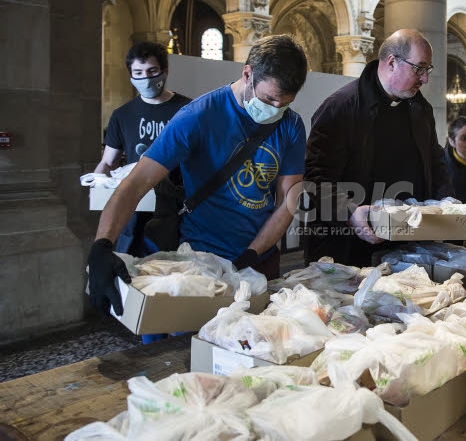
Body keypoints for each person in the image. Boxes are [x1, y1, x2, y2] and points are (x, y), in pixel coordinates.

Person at [87, 34, 308, 318]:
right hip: (201, 264)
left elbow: (287, 202)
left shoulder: (290, 125)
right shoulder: (198, 117)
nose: (275, 110)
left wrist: (252, 254)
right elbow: (137, 182)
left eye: (285, 104)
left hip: (259, 262)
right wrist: (103, 245)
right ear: (248, 73)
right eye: (269, 99)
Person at [304, 28, 453, 267]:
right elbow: (317, 177)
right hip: (349, 245)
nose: (425, 79)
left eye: (428, 70)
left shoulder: (419, 108)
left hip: (407, 244)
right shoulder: (341, 107)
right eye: (420, 68)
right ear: (392, 62)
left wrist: (447, 204)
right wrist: (351, 212)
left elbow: (435, 161)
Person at [95, 41, 191, 257]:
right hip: (134, 208)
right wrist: (98, 184)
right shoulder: (122, 115)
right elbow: (108, 162)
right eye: (138, 72)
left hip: (176, 208)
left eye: (152, 71)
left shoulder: (187, 110)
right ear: (130, 75)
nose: (145, 78)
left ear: (164, 71)